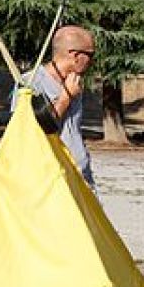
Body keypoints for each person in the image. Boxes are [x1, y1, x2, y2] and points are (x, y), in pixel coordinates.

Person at [30, 25, 96, 186]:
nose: (92, 61)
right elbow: (32, 130)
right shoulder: (31, 83)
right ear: (75, 56)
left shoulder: (75, 82)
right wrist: (65, 97)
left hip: (81, 177)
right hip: (50, 181)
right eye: (91, 55)